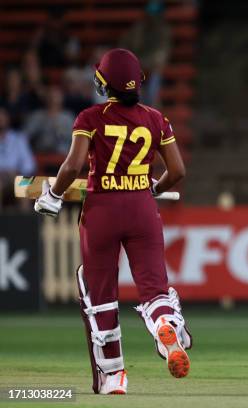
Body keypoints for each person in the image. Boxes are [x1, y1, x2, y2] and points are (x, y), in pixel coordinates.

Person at [33, 48, 191, 394]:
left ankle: (113, 376)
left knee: (100, 294)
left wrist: (53, 196)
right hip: (141, 209)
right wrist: (153, 187)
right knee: (154, 289)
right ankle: (165, 324)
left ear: (105, 84)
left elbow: (73, 166)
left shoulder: (90, 117)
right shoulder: (155, 118)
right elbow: (177, 171)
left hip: (102, 210)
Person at [0, 106, 36, 210]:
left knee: (24, 185)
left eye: (2, 116)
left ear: (7, 119)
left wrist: (17, 173)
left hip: (17, 176)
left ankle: (25, 224)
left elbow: (29, 164)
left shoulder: (19, 138)